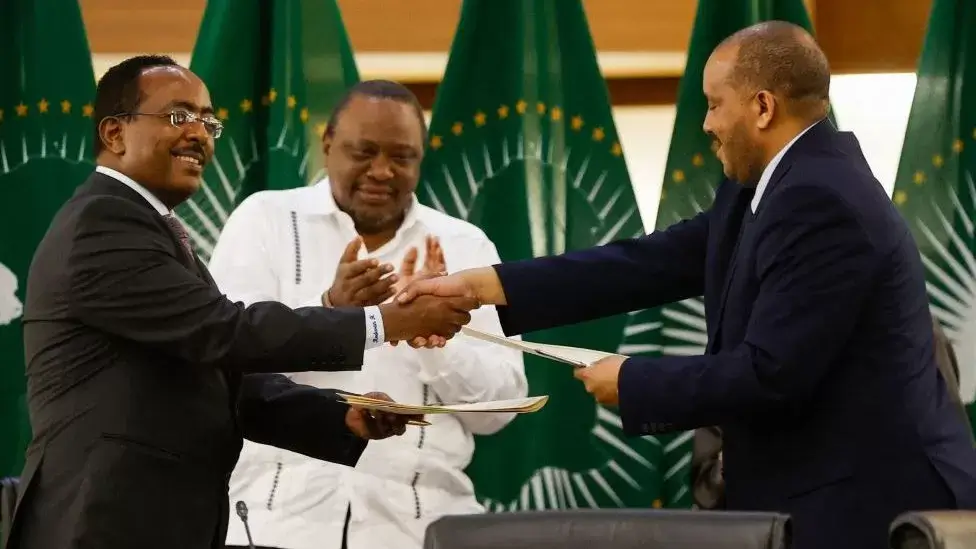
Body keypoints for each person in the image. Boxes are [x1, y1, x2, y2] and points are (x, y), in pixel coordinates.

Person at [396, 21, 976, 549]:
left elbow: (773, 373)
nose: (706, 124)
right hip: (824, 494)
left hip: (869, 509)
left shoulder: (821, 199)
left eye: (713, 105)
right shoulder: (771, 183)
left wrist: (635, 382)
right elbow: (652, 262)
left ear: (763, 107)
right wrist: (485, 286)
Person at [3, 55, 478, 549]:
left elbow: (211, 370)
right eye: (177, 116)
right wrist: (381, 323)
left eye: (208, 122)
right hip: (104, 522)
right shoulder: (103, 223)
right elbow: (227, 332)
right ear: (114, 133)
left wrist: (339, 414)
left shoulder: (150, 226)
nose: (199, 134)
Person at [212, 80, 527, 549]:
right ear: (327, 145)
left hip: (418, 530)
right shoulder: (265, 220)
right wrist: (329, 314)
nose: (382, 171)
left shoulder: (465, 245)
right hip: (274, 522)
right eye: (364, 152)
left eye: (402, 158)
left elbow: (500, 410)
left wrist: (435, 342)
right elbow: (221, 367)